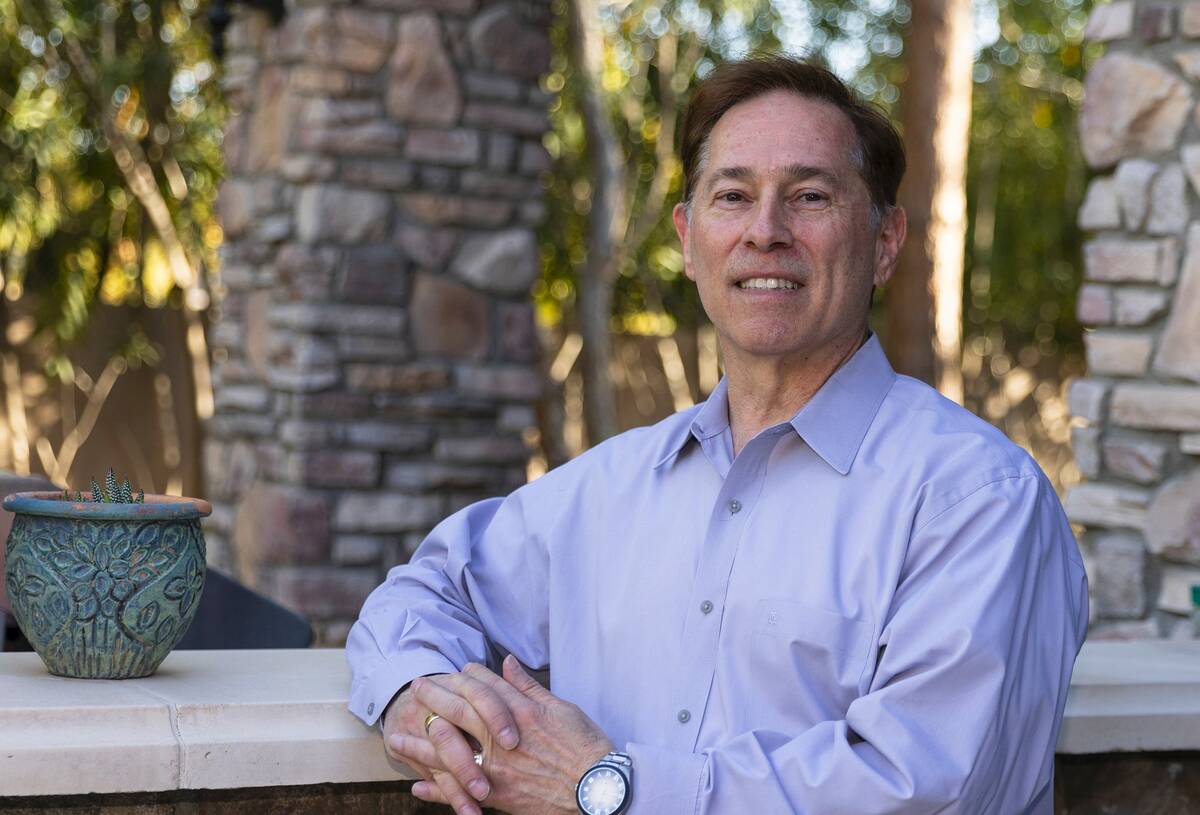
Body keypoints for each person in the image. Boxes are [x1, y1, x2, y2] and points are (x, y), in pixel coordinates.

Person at [346, 55, 1088, 815]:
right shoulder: (610, 488)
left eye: (810, 196)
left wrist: (610, 788)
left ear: (886, 240)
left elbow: (930, 790)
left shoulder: (976, 499)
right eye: (733, 195)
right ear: (689, 238)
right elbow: (428, 591)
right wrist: (419, 700)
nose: (765, 232)